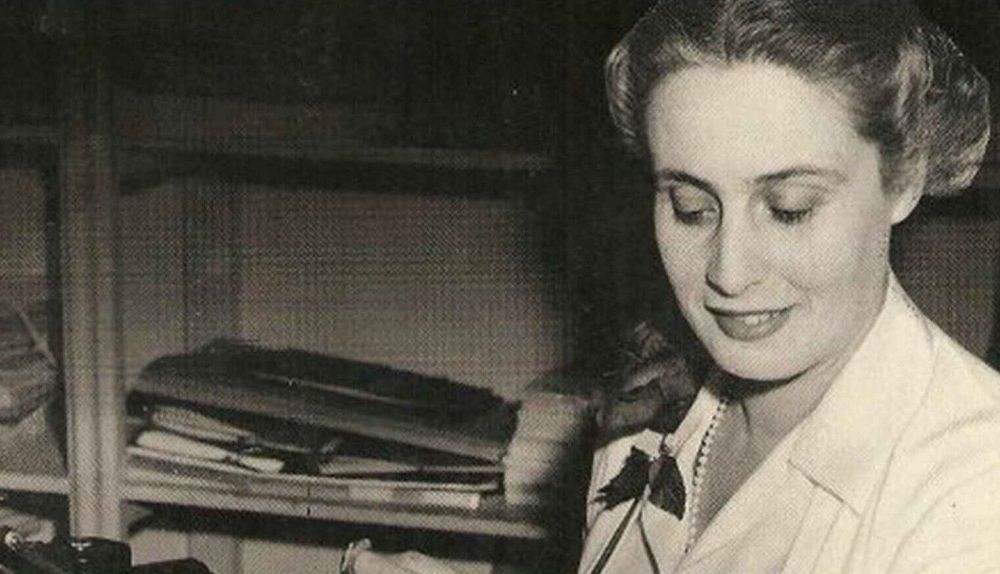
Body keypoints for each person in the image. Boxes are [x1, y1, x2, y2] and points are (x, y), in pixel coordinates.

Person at [343, 0, 1000, 572]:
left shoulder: (974, 486)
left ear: (904, 179)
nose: (728, 272)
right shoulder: (649, 404)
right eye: (691, 207)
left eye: (789, 208)